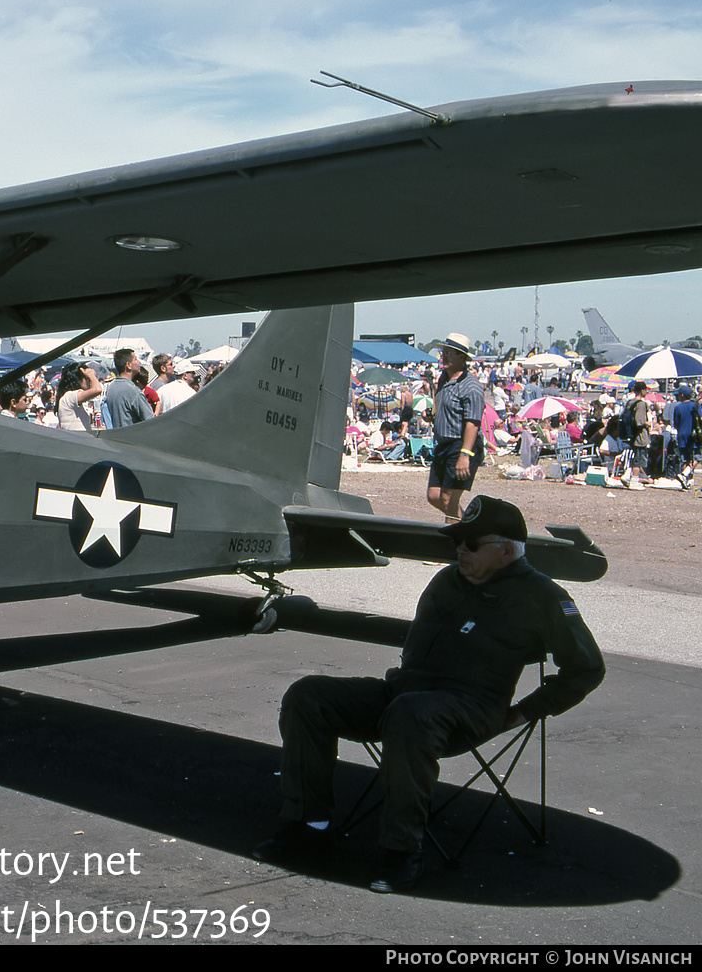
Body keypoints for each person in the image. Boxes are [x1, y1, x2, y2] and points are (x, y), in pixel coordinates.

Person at [253, 496, 605, 893]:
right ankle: (309, 825)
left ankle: (402, 851)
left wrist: (524, 712)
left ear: (506, 550)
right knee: (308, 695)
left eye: (472, 544)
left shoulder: (542, 596)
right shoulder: (446, 581)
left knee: (411, 714)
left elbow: (587, 668)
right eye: (457, 541)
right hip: (404, 694)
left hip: (471, 708)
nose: (460, 550)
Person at [426, 333, 485, 521]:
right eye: (443, 352)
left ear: (461, 357)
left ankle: (455, 542)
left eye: (449, 353)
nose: (443, 357)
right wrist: (432, 417)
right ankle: (469, 527)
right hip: (443, 445)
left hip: (461, 445)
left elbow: (473, 423)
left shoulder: (471, 386)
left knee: (448, 498)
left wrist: (465, 455)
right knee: (434, 496)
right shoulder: (444, 381)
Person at [103, 348, 153, 428]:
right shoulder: (132, 390)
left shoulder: (112, 386)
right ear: (128, 365)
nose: (138, 362)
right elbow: (150, 420)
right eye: (135, 359)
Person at [54, 362, 102, 433]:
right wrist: (91, 375)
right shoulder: (69, 396)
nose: (90, 381)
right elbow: (97, 390)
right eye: (87, 378)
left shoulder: (67, 397)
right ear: (78, 379)